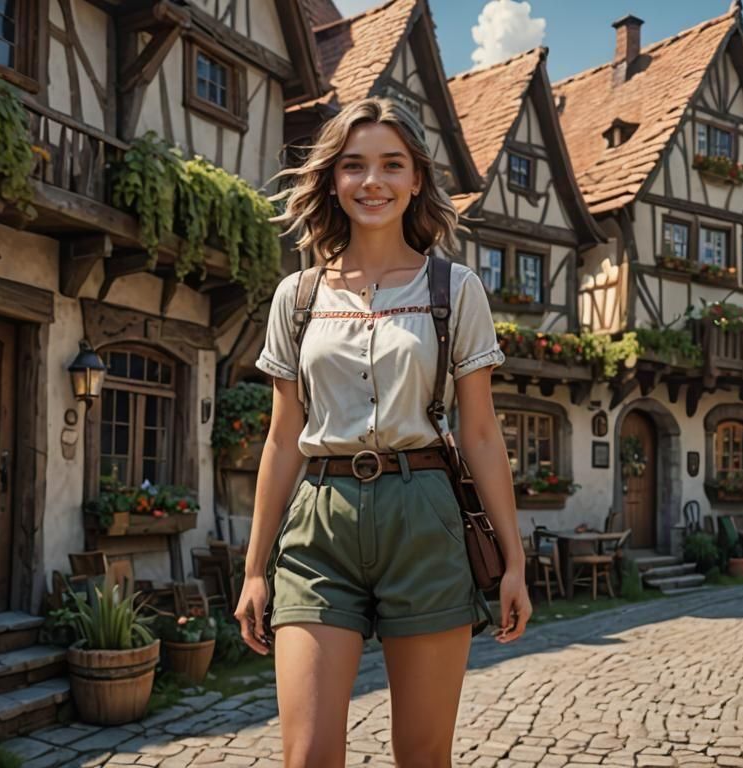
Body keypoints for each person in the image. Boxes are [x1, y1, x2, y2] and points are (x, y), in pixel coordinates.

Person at [234, 97, 533, 767]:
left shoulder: (455, 290)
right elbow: (281, 439)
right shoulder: (297, 297)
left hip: (423, 516)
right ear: (332, 180)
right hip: (319, 524)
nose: (372, 181)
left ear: (417, 179)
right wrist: (254, 569)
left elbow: (481, 435)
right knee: (307, 756)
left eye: (392, 165)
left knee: (423, 756)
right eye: (354, 165)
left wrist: (513, 561)